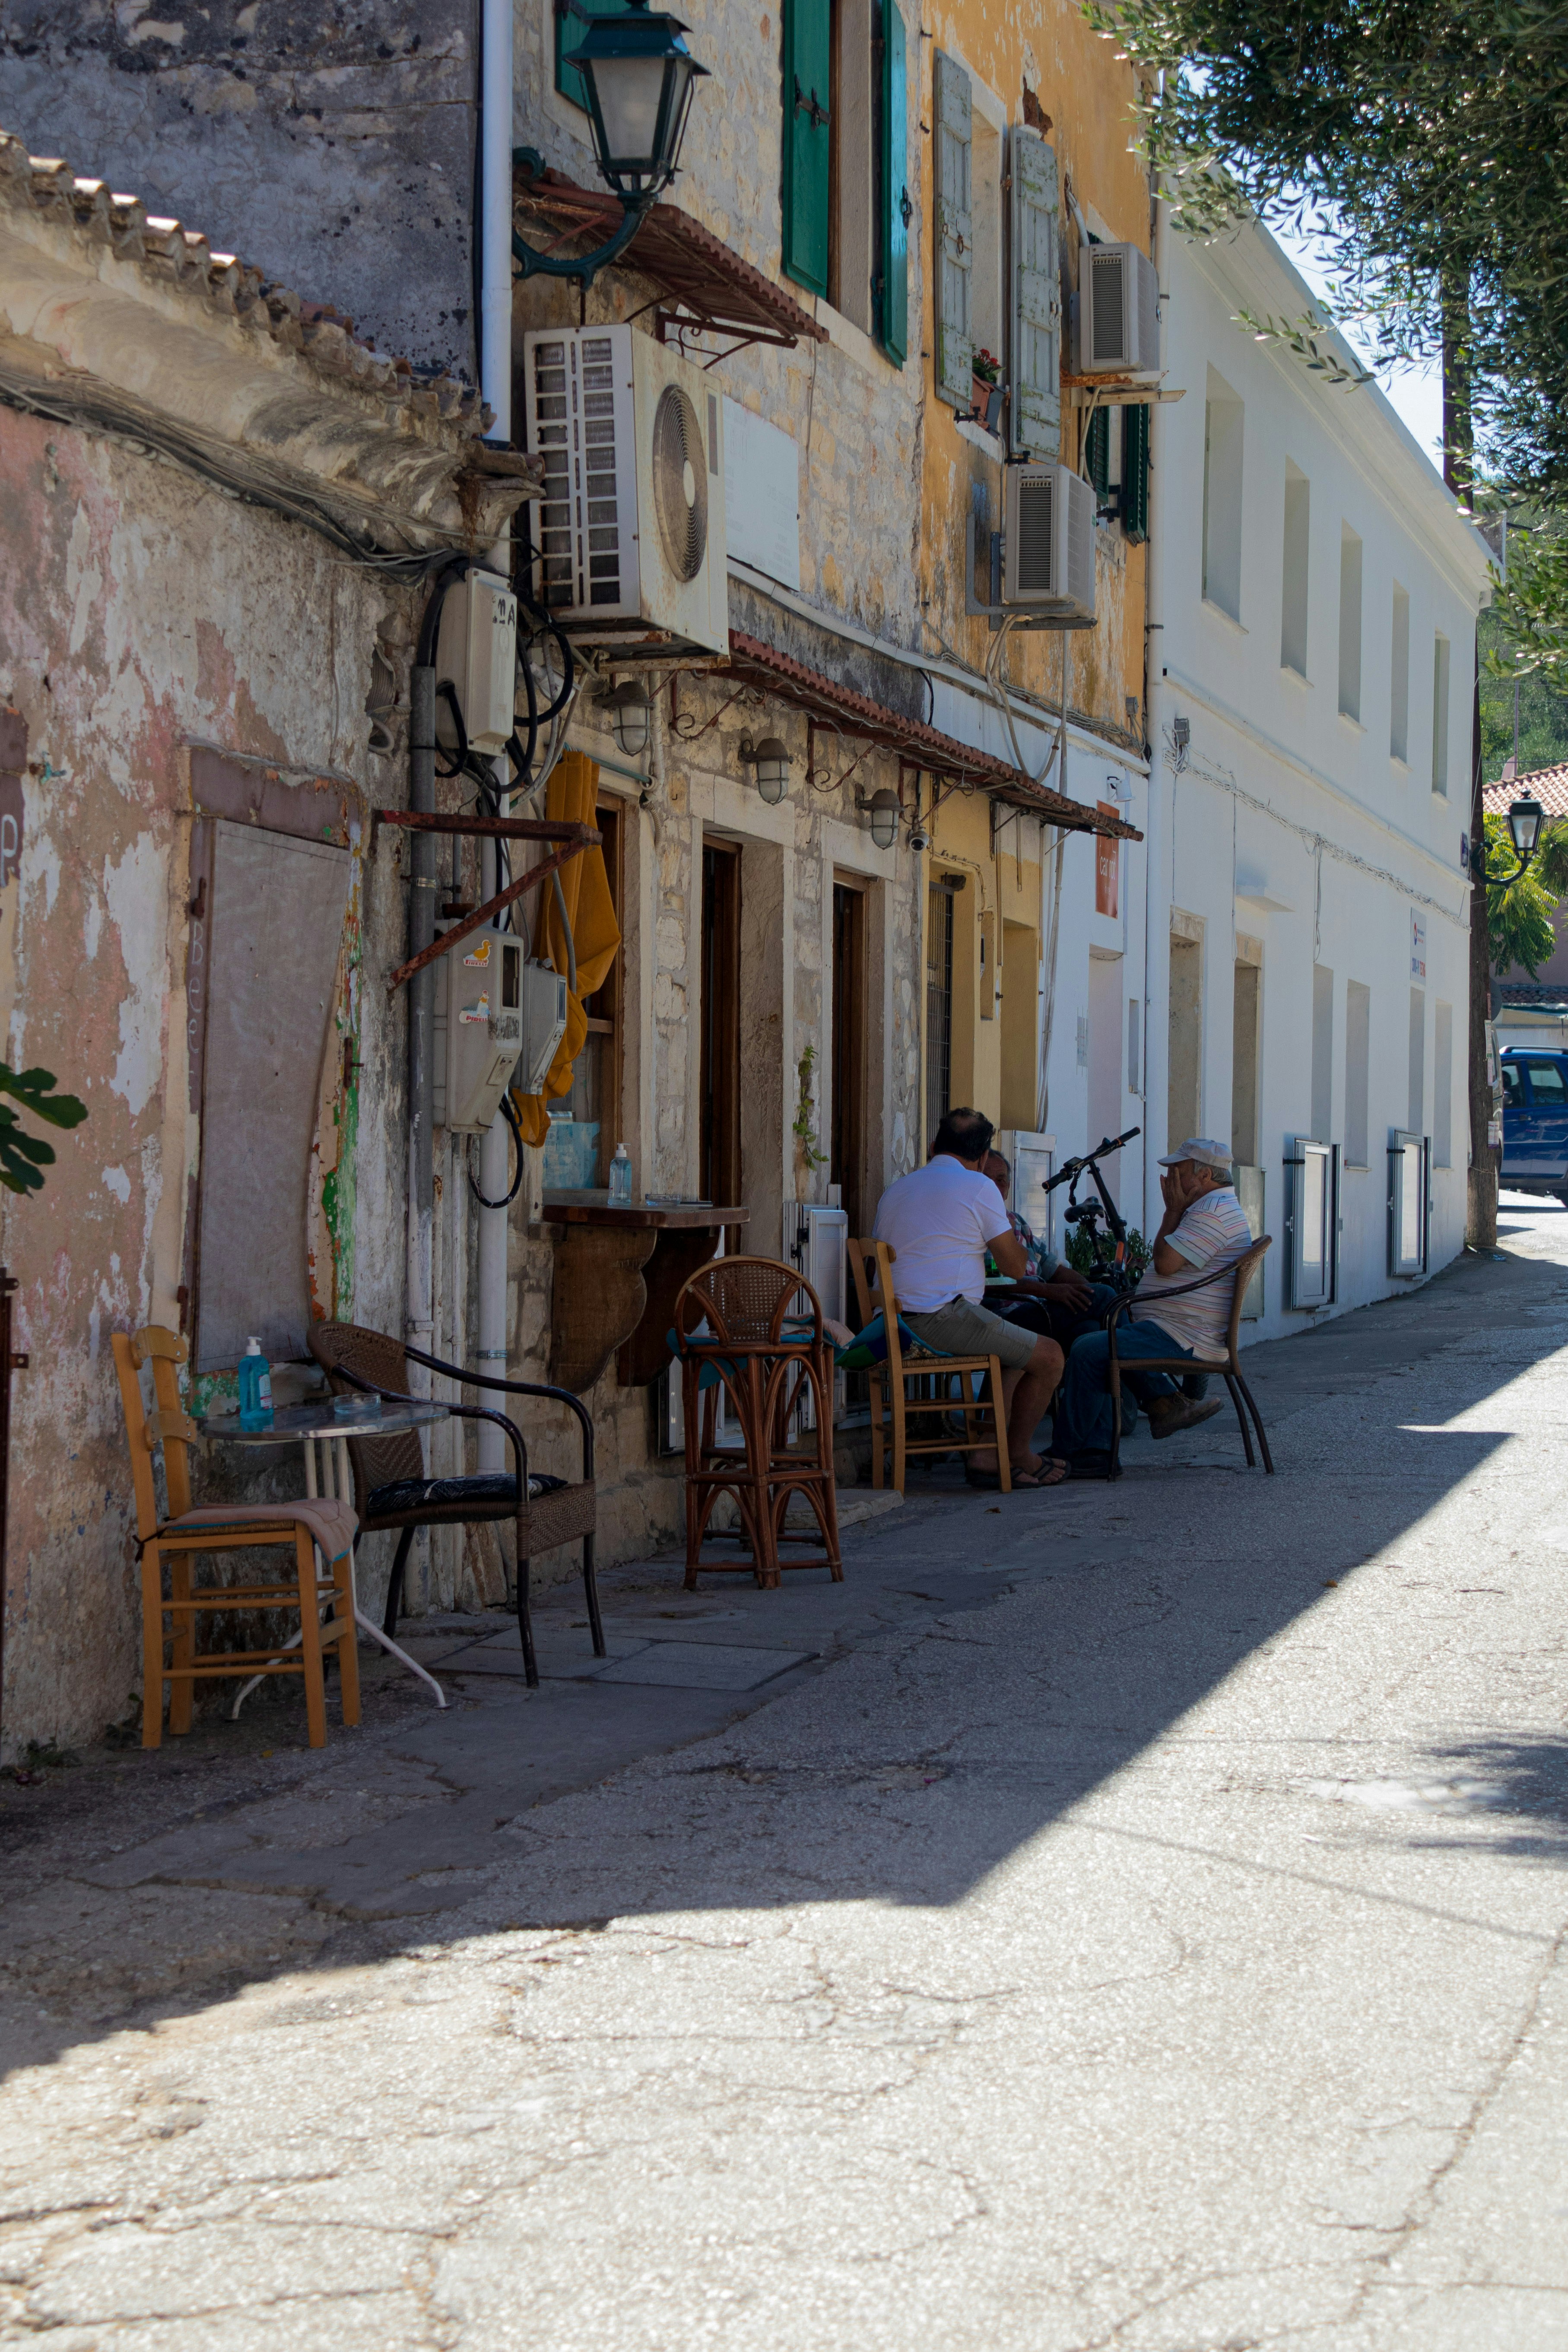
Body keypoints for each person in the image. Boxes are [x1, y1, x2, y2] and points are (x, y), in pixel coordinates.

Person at [871, 1108, 1066, 1489]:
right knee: (1051, 1357)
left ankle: (987, 1455)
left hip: (886, 1328)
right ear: (981, 1159)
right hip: (939, 1321)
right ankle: (1019, 1454)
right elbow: (1014, 1267)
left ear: (933, 1147)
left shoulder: (897, 1189)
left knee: (1018, 1345)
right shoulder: (979, 1188)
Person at [1052, 1137, 1254, 1476]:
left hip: (1183, 1335)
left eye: (1178, 1171)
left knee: (1089, 1347)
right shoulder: (1212, 1206)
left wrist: (1172, 1211)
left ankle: (1065, 1453)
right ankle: (1106, 1444)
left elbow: (1165, 1262)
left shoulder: (1213, 1213)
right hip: (1170, 1325)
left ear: (1204, 1176)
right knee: (1096, 1306)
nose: (1169, 1178)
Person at [980, 1150, 1115, 1353]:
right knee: (1107, 1297)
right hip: (1006, 1316)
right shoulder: (975, 1224)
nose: (995, 1187)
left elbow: (1054, 1269)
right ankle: (1144, 1372)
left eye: (1001, 1180)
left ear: (1008, 1187)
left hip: (1041, 1309)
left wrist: (1088, 1293)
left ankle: (1119, 1382)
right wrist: (1051, 1292)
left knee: (1090, 1334)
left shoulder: (1017, 1221)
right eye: (987, 1180)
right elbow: (993, 1282)